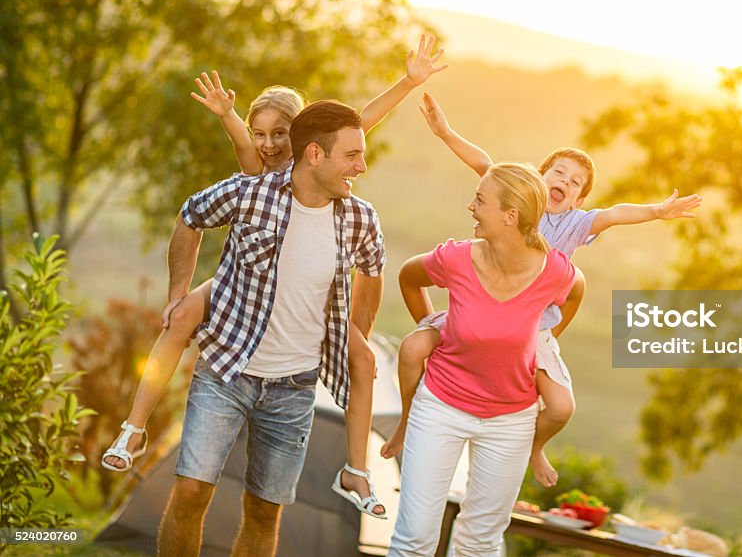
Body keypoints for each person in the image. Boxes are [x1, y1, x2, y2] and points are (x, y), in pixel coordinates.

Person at [102, 36, 446, 522]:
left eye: (279, 134)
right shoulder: (256, 178)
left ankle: (356, 468)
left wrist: (408, 83)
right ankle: (134, 427)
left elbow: (361, 121)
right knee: (179, 319)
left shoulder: (325, 162)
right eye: (259, 134)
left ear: (305, 141)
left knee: (365, 359)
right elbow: (211, 190)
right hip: (241, 284)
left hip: (304, 323)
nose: (267, 145)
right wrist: (227, 117)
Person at [381, 92, 701, 487]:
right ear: (539, 176)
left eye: (574, 182)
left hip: (531, 329)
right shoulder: (518, 196)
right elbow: (483, 161)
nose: (564, 182)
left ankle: (533, 447)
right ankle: (407, 420)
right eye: (558, 173)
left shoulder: (577, 224)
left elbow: (616, 213)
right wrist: (445, 133)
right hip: (482, 311)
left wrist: (656, 211)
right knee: (413, 349)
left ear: (580, 199)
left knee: (562, 407)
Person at [155, 100, 381, 557]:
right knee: (191, 493)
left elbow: (372, 274)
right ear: (315, 154)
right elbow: (191, 214)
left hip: (294, 388)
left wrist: (351, 336)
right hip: (224, 373)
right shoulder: (254, 192)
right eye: (352, 155)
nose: (361, 165)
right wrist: (179, 292)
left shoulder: (361, 218)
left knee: (263, 510)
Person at [388, 163, 582, 557]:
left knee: (480, 542)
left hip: (511, 422)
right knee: (415, 539)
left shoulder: (555, 272)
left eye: (480, 200)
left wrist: (545, 338)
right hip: (440, 407)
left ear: (510, 217)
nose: (470, 207)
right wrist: (434, 327)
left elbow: (576, 291)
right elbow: (409, 278)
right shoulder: (456, 258)